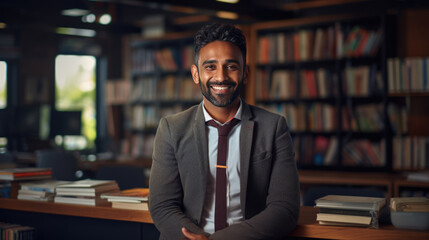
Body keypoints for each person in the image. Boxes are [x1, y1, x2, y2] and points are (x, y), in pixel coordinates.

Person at [149, 22, 300, 240]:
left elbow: (285, 208)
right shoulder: (172, 129)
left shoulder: (273, 127)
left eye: (231, 66)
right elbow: (162, 206)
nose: (221, 77)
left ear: (245, 73)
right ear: (195, 74)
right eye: (210, 66)